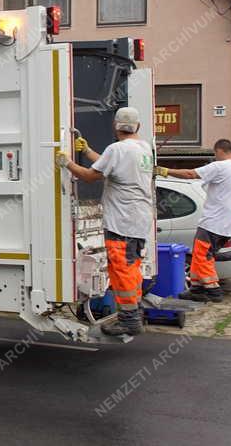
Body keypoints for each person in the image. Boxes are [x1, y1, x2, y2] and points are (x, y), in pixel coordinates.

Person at [56, 107, 154, 336]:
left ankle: (129, 320)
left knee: (122, 270)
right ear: (137, 126)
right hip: (139, 220)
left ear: (115, 126)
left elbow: (91, 177)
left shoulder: (117, 149)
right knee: (132, 268)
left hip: (122, 221)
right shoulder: (144, 148)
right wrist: (89, 152)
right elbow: (112, 167)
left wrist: (67, 163)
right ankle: (133, 312)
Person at [155, 139, 231, 303]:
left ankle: (214, 290)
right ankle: (197, 288)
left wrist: (163, 170)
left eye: (215, 154)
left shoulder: (220, 166)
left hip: (212, 222)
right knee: (202, 255)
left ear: (219, 151)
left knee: (202, 255)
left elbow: (190, 174)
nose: (215, 157)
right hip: (226, 225)